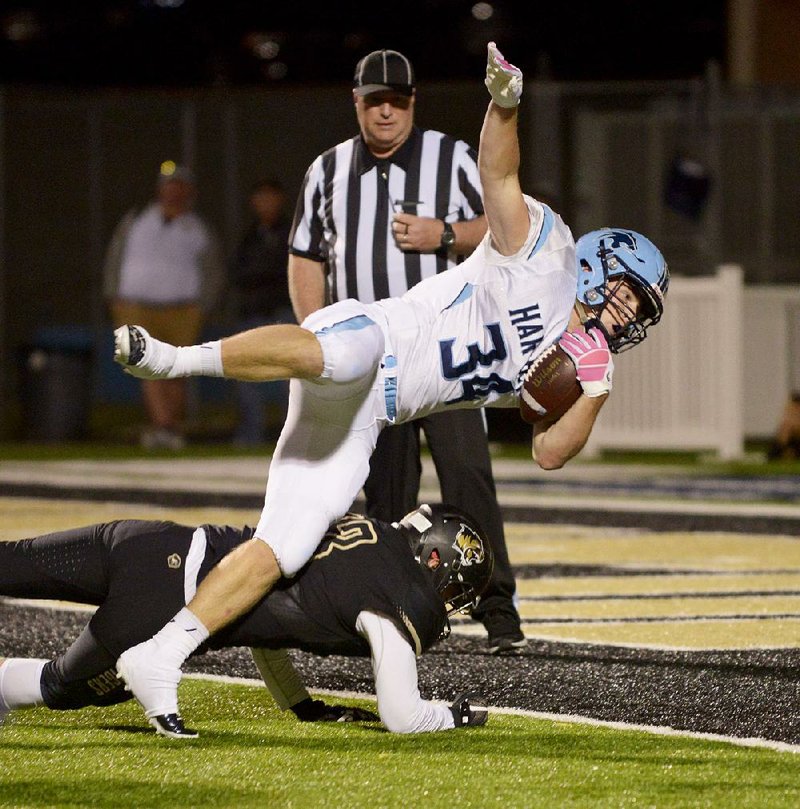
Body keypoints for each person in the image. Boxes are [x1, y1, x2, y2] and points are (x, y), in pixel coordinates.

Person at [111, 42, 669, 731]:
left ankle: (161, 655)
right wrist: (504, 102)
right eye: (625, 297)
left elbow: (551, 450)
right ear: (597, 265)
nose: (625, 316)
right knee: (345, 355)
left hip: (375, 413)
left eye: (637, 313)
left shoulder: (585, 365)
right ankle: (173, 360)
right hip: (371, 337)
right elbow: (499, 173)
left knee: (284, 544)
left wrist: (598, 388)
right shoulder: (545, 251)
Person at [289, 48, 522, 653]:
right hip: (370, 360)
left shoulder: (454, 157)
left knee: (468, 478)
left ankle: (499, 612)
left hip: (446, 354)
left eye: (396, 100)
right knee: (385, 494)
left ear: (413, 102)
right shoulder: (328, 169)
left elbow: (504, 228)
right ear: (357, 103)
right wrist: (318, 339)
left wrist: (443, 234)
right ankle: (391, 612)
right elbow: (306, 257)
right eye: (374, 101)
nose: (386, 111)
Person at [0, 505, 492, 737]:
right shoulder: (395, 596)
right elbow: (403, 717)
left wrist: (301, 705)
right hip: (159, 603)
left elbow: (267, 615)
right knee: (58, 687)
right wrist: (453, 716)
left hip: (148, 540)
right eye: (454, 588)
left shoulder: (368, 532)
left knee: (10, 562)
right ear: (434, 561)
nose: (448, 604)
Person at [104, 161, 225, 450]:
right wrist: (113, 294)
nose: (173, 190)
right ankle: (166, 427)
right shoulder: (136, 219)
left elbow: (213, 269)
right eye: (168, 184)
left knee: (176, 370)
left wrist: (204, 305)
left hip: (182, 309)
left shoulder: (197, 227)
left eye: (179, 185)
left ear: (189, 191)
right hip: (135, 306)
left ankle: (166, 427)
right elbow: (115, 256)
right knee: (143, 365)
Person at [228, 178, 294, 445]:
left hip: (284, 313)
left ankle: (293, 437)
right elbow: (236, 272)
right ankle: (250, 435)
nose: (266, 203)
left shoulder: (292, 232)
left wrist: (261, 274)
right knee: (246, 375)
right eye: (261, 197)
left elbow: (287, 270)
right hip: (253, 314)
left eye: (271, 196)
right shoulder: (250, 235)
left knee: (291, 379)